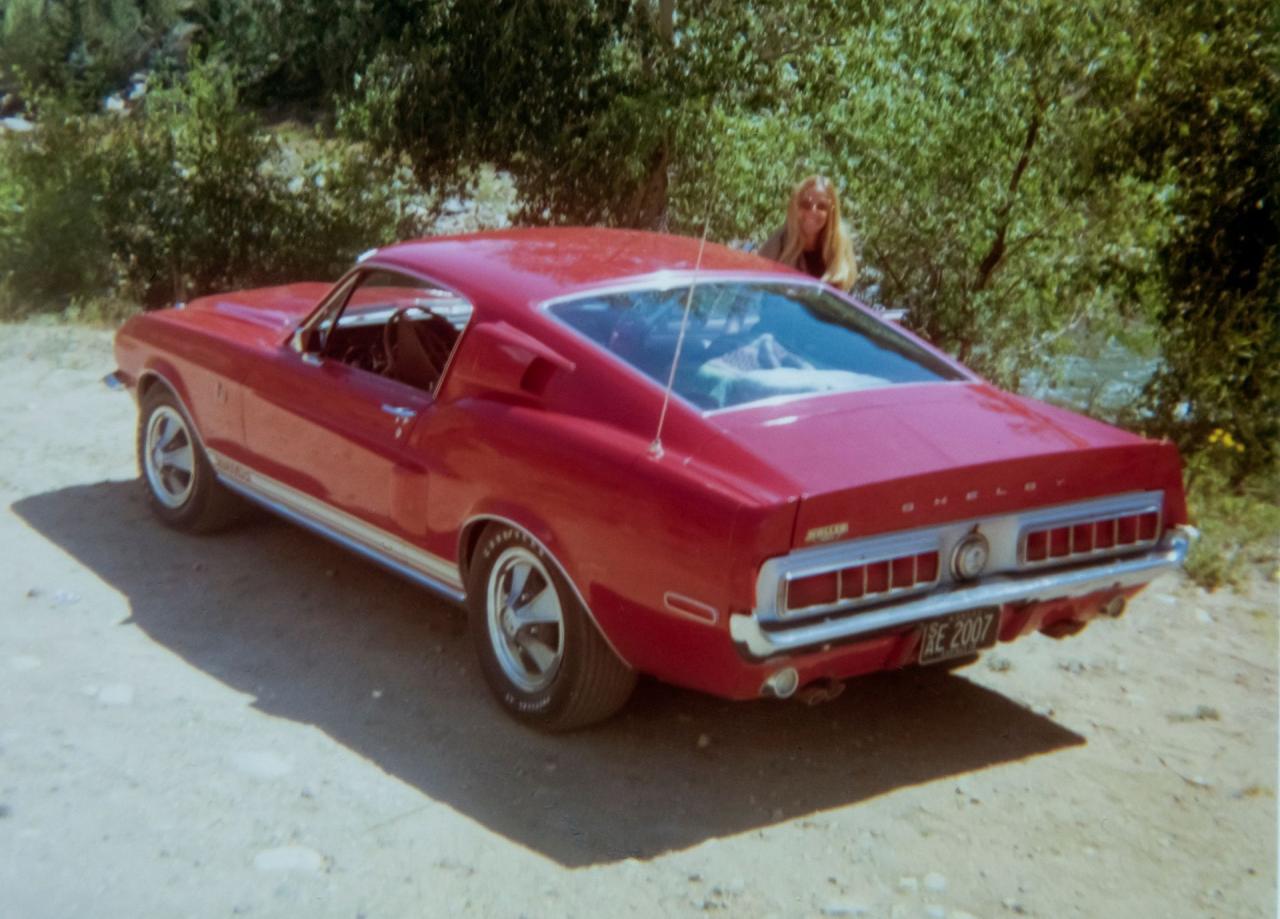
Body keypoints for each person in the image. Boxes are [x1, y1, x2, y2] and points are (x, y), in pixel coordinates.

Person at [759, 175, 859, 291]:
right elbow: (755, 291)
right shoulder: (777, 244)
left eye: (822, 206)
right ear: (795, 207)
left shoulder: (840, 244)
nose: (813, 211)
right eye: (805, 204)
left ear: (831, 211)